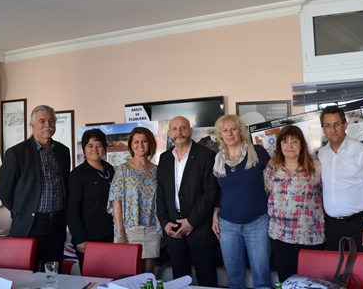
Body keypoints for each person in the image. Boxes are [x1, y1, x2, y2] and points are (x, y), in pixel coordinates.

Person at [0, 105, 71, 271]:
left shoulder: (63, 151)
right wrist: (21, 210)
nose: (47, 124)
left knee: (53, 273)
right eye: (42, 121)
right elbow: (3, 190)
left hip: (58, 224)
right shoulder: (17, 153)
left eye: (51, 120)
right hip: (31, 224)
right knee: (27, 274)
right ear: (32, 125)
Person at [317, 106, 363, 289]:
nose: (333, 129)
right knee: (337, 276)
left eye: (337, 124)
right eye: (328, 125)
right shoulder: (321, 154)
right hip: (332, 227)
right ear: (323, 128)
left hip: (359, 225)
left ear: (345, 124)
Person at [211, 114, 272, 289]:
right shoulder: (218, 160)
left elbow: (273, 180)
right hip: (228, 225)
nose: (230, 133)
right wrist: (215, 213)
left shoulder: (257, 152)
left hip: (258, 222)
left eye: (233, 129)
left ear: (241, 131)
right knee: (234, 277)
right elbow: (218, 192)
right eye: (225, 130)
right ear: (220, 135)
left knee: (261, 275)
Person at [157, 116, 218, 287]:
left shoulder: (206, 155)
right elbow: (160, 193)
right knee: (180, 281)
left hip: (200, 229)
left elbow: (210, 192)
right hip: (174, 229)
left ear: (190, 131)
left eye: (183, 127)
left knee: (207, 281)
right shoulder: (164, 158)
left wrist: (191, 221)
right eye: (174, 129)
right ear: (170, 134)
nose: (179, 132)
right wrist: (164, 222)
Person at [264, 125, 325, 283]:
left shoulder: (315, 165)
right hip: (280, 234)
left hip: (309, 234)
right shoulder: (272, 166)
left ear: (302, 145)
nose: (289, 146)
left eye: (294, 141)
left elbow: (324, 193)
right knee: (287, 281)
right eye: (285, 142)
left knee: (310, 282)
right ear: (279, 145)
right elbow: (268, 191)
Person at [108, 127, 161, 274]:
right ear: (131, 146)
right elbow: (116, 201)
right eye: (136, 142)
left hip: (152, 229)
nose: (140, 145)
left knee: (149, 274)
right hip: (129, 230)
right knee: (130, 274)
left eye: (144, 141)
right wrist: (120, 232)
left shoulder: (157, 171)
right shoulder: (122, 170)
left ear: (150, 144)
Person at [67, 128, 115, 272]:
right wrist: (80, 239)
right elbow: (72, 210)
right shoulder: (77, 175)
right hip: (89, 238)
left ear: (104, 149)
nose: (95, 149)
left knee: (112, 275)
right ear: (84, 149)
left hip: (111, 235)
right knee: (93, 278)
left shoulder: (110, 170)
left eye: (99, 145)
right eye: (90, 145)